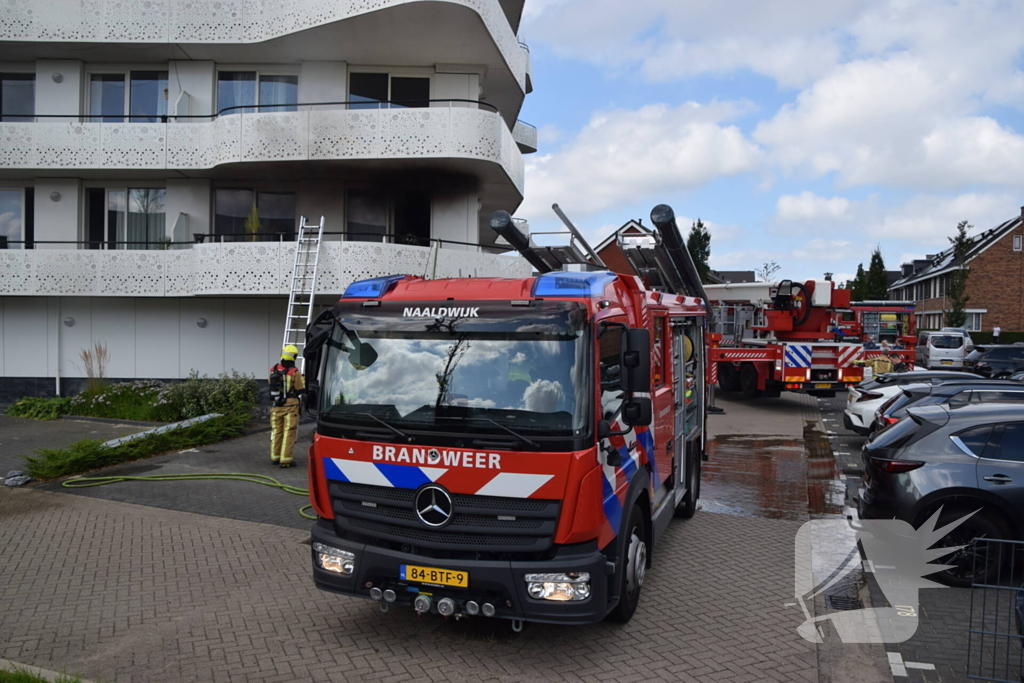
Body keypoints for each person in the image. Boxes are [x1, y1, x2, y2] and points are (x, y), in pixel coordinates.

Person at [269, 345, 305, 468]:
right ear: (294, 357)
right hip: (291, 406)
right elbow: (300, 388)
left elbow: (271, 384)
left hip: (276, 406)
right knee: (289, 432)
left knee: (277, 431)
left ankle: (275, 457)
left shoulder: (273, 369)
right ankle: (286, 460)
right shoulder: (294, 372)